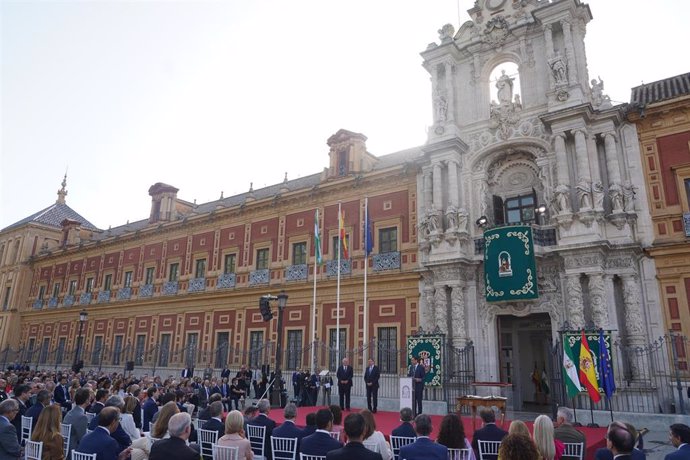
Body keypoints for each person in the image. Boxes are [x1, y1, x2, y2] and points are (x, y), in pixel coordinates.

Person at [63, 388, 90, 452]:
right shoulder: (82, 417)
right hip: (74, 451)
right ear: (86, 400)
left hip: (65, 448)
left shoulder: (69, 412)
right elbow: (83, 439)